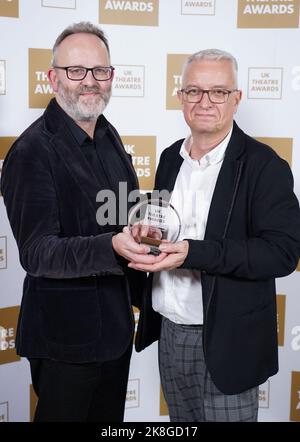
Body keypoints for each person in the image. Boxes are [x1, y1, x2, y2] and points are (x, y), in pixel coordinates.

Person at [130, 49, 300, 422]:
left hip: (229, 340)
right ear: (181, 97)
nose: (204, 101)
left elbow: (282, 253)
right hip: (170, 333)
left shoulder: (264, 166)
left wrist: (194, 252)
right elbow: (165, 225)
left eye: (218, 92)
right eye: (194, 91)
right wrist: (148, 234)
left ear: (236, 99)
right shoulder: (170, 157)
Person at [1, 21, 159, 422]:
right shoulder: (32, 151)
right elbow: (37, 253)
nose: (90, 82)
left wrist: (143, 229)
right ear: (53, 77)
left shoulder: (109, 135)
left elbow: (123, 213)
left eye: (99, 71)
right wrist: (110, 246)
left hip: (116, 333)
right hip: (65, 343)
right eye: (76, 71)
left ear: (111, 77)